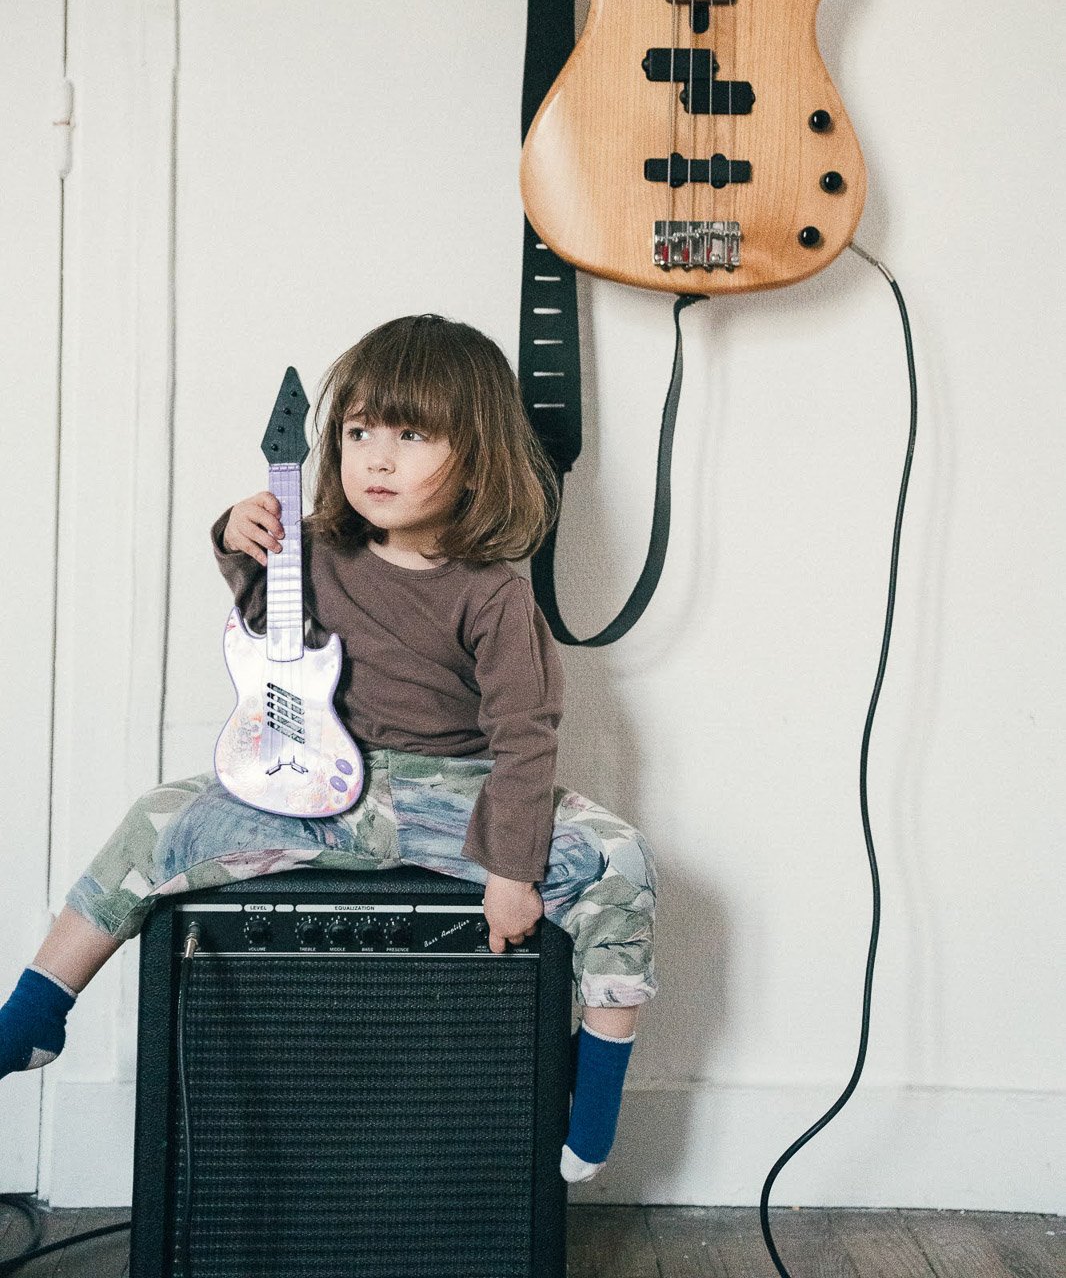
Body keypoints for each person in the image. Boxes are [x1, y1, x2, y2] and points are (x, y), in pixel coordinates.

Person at [0, 313, 657, 1182]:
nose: (376, 458)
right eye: (358, 433)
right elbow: (267, 636)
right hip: (312, 789)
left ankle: (595, 1089)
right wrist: (235, 539)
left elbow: (524, 740)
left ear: (479, 455)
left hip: (448, 800)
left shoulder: (493, 598)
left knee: (621, 855)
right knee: (159, 816)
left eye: (412, 434)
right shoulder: (315, 552)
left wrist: (511, 869)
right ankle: (38, 1006)